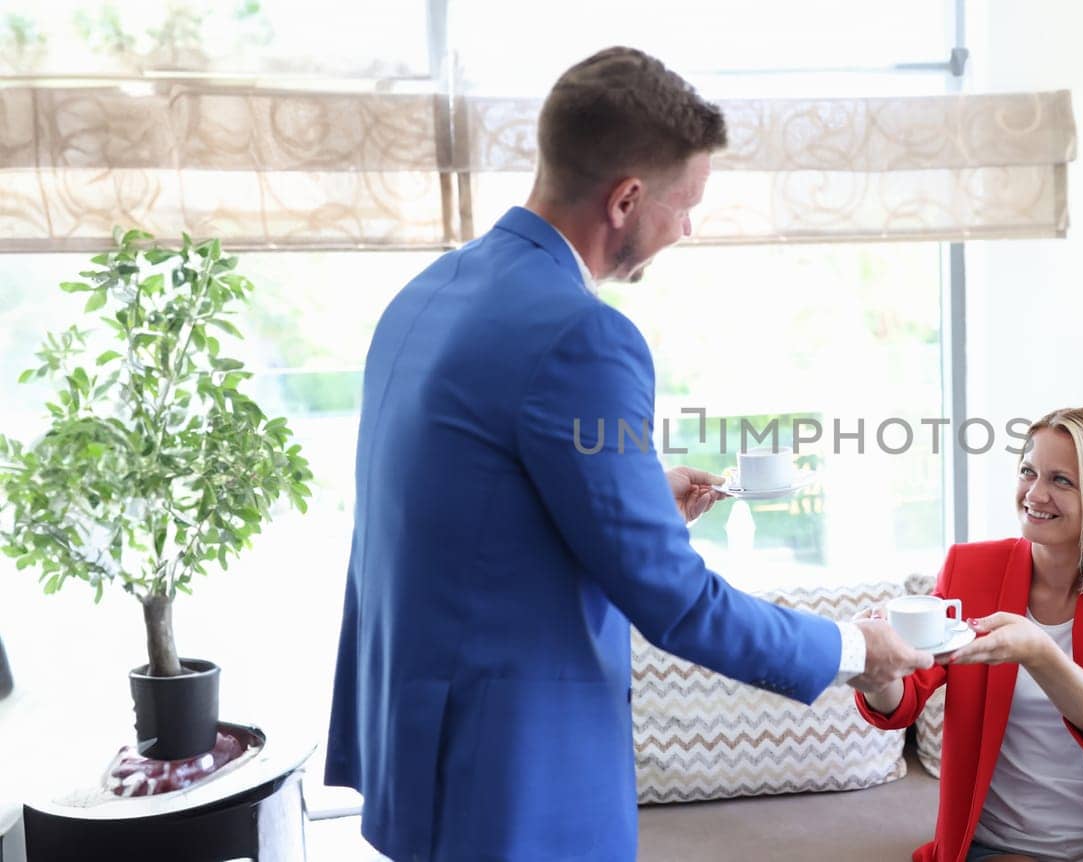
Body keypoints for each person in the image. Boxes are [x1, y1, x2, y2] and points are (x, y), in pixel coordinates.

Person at [325, 46, 932, 861]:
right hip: (513, 773)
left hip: (417, 741)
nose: (688, 228)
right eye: (687, 206)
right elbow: (675, 603)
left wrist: (636, 492)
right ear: (626, 199)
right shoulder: (586, 334)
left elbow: (465, 500)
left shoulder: (429, 292)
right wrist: (855, 652)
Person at [856, 407, 1083, 862]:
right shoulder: (971, 569)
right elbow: (905, 701)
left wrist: (1039, 651)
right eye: (1028, 472)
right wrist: (877, 668)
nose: (1035, 493)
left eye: (1061, 481)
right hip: (999, 847)